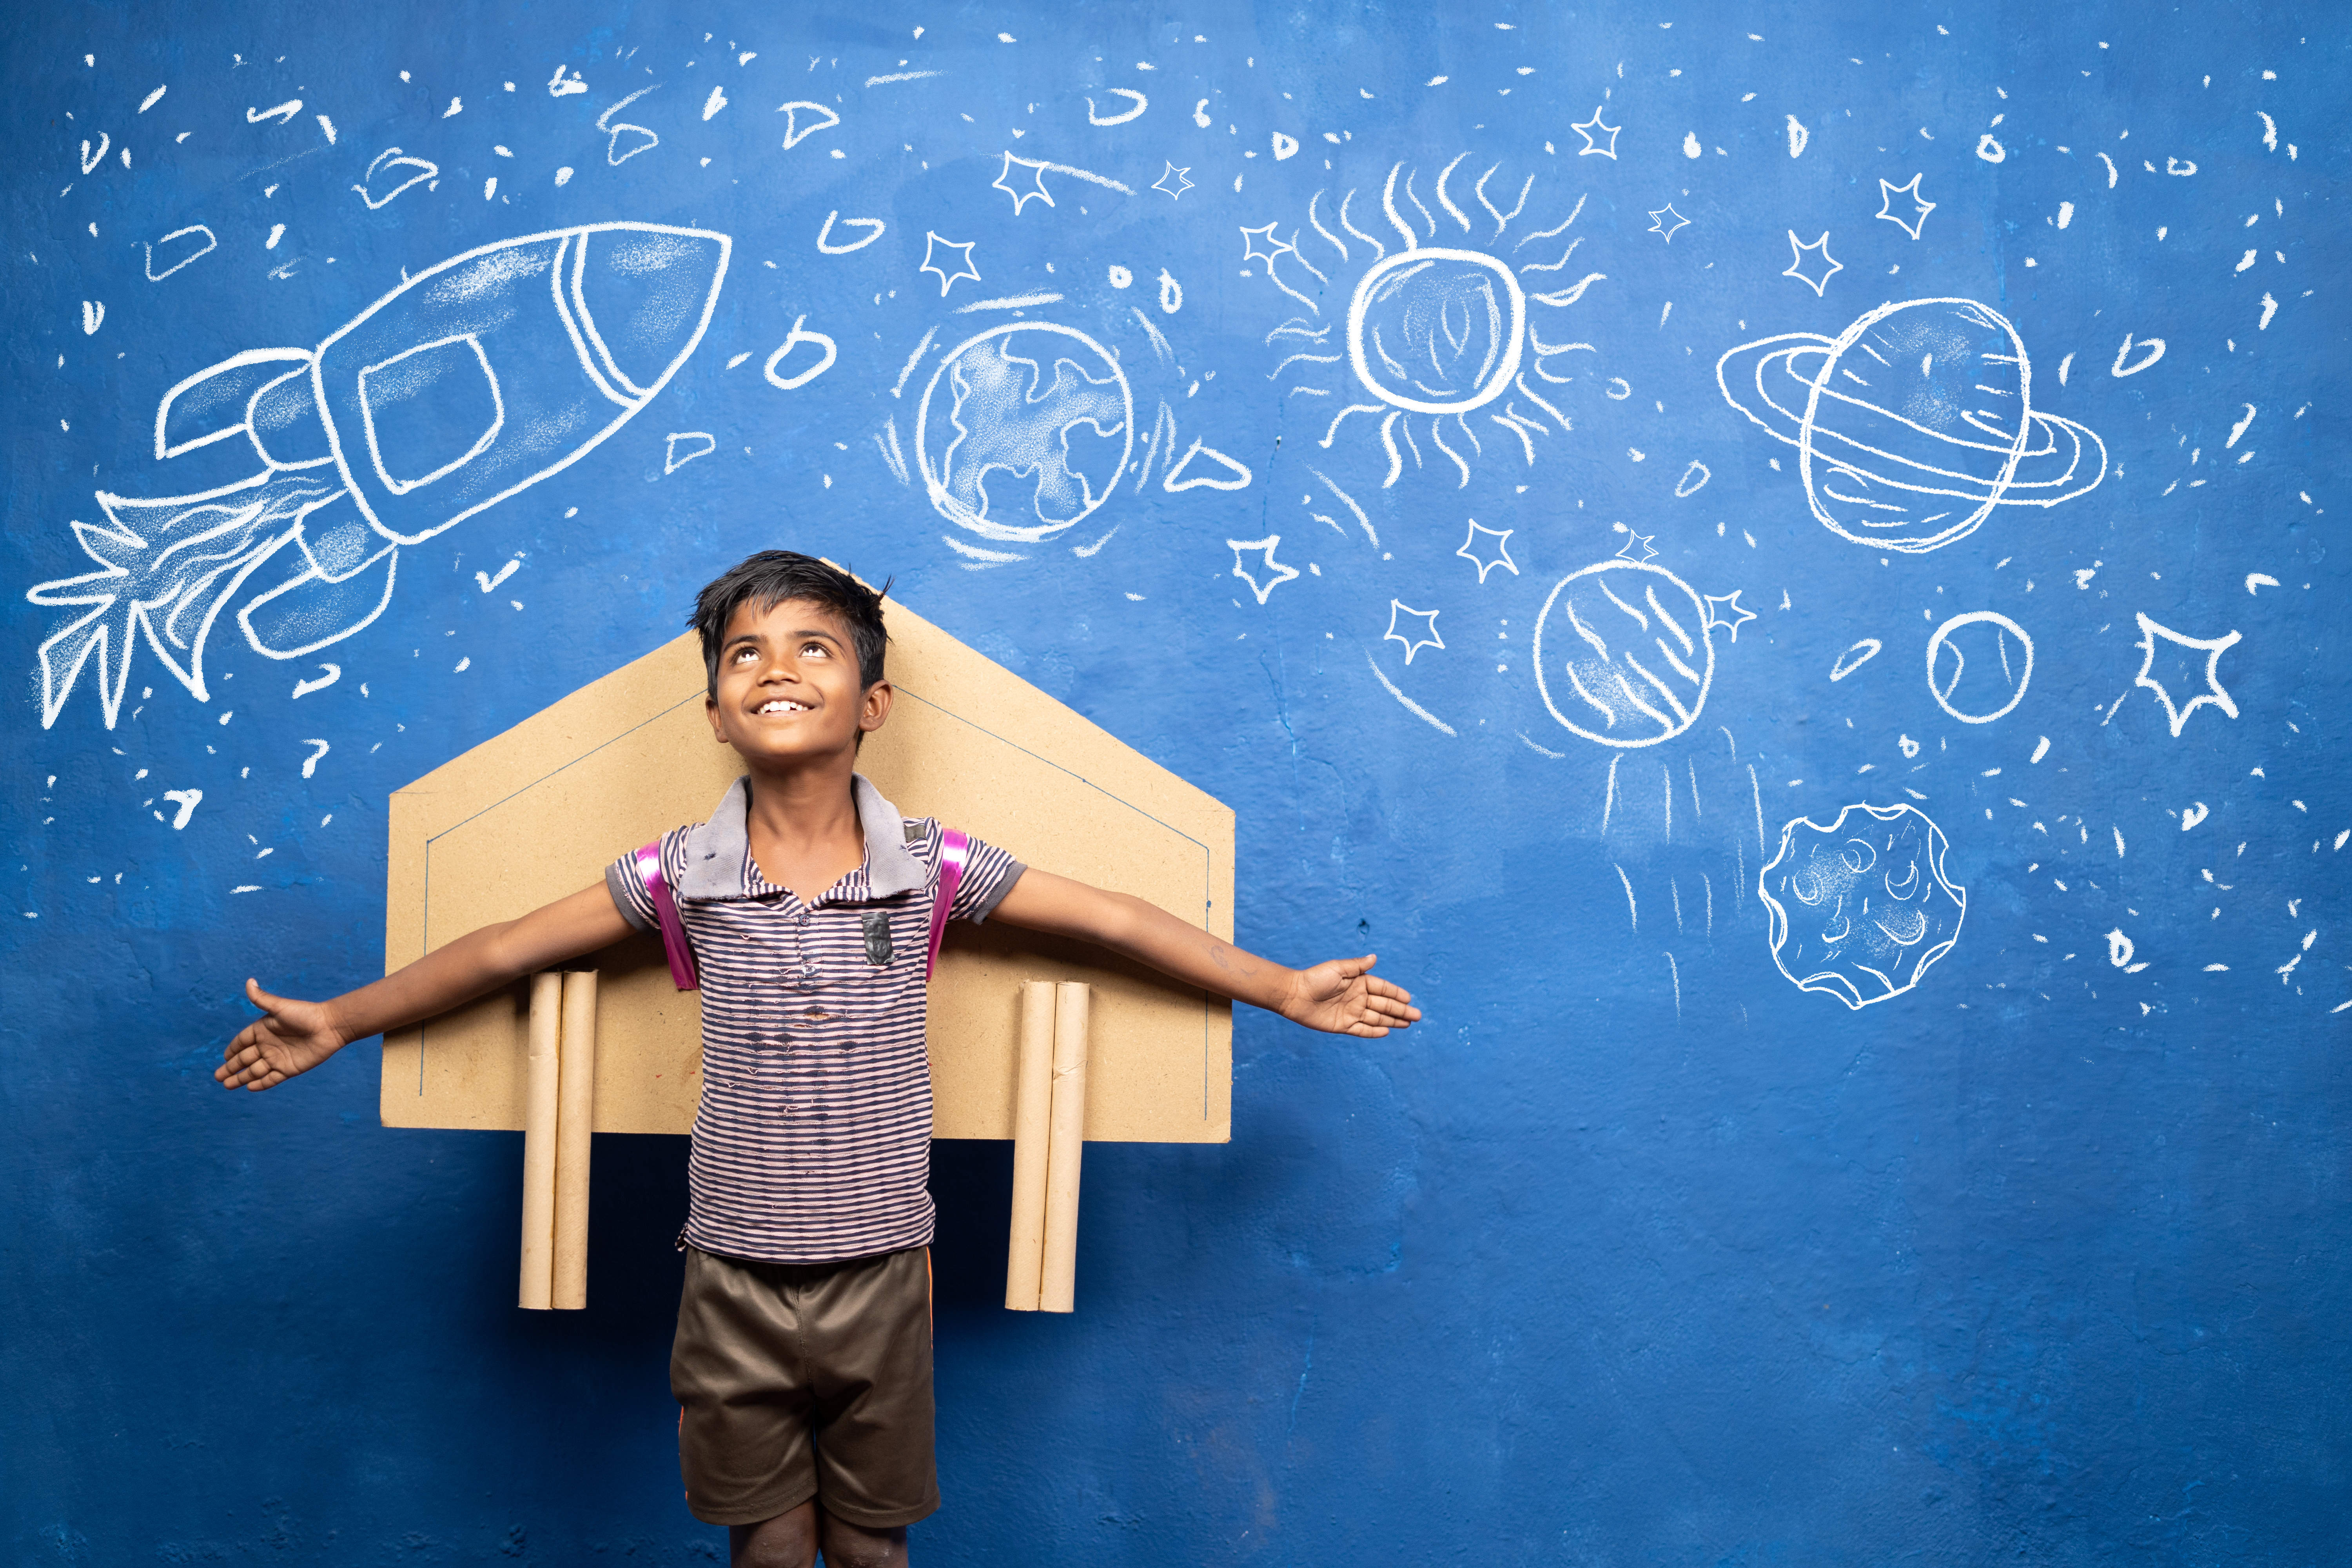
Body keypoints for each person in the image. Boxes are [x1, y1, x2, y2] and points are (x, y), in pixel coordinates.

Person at [215, 550, 1420, 1568]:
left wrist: (1278, 986)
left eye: (813, 649)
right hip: (729, 1272)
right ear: (713, 710)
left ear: (872, 704)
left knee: (870, 1544)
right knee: (768, 1544)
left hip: (885, 1270)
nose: (777, 668)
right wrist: (346, 1017)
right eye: (746, 653)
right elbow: (504, 949)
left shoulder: (931, 866)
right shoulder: (683, 871)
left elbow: (1110, 918)